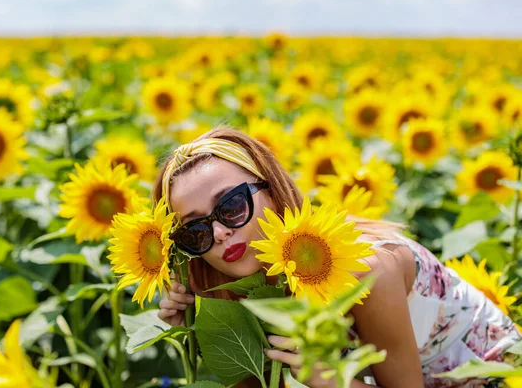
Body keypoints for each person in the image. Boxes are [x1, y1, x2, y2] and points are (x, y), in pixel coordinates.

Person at [154, 127, 520, 388]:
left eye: (232, 205)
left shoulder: (362, 267)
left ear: (271, 187)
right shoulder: (230, 285)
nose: (219, 233)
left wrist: (328, 379)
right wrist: (192, 331)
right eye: (195, 230)